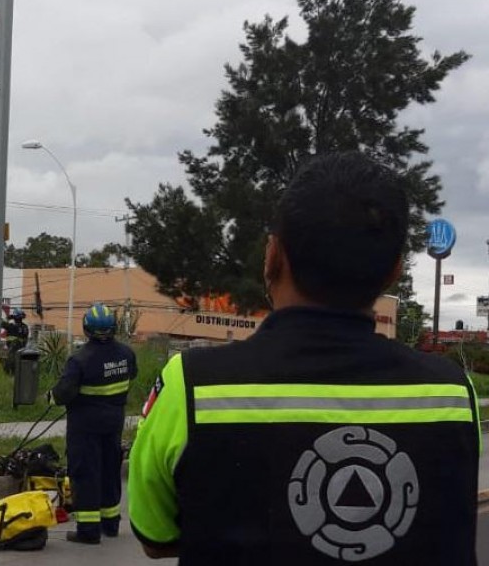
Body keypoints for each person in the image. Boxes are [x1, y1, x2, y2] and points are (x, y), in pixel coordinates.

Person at [127, 152, 480, 565]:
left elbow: (155, 536)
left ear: (273, 255)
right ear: (394, 272)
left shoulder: (191, 386)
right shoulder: (451, 393)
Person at [47, 303, 137, 544]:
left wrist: (51, 396)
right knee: (110, 469)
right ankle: (111, 524)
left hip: (85, 426)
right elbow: (131, 376)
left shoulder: (79, 360)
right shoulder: (126, 354)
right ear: (113, 327)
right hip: (114, 422)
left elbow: (63, 393)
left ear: (86, 328)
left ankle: (88, 531)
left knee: (85, 473)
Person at [1, 308, 29, 374]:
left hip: (12, 348)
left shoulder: (11, 326)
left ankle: (9, 374)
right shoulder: (25, 327)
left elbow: (2, 324)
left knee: (10, 362)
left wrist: (8, 317)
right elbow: (26, 339)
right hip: (22, 348)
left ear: (14, 317)